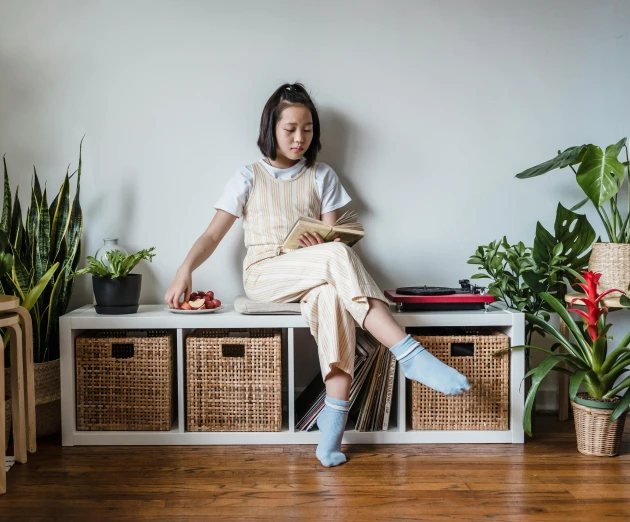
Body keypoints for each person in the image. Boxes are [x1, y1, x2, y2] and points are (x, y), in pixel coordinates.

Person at [165, 83, 470, 467]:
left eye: (307, 129)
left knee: (332, 301)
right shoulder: (248, 176)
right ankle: (409, 353)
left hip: (313, 274)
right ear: (270, 129)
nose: (299, 138)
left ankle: (331, 433)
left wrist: (317, 246)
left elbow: (332, 241)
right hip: (264, 275)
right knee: (335, 257)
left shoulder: (321, 175)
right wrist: (184, 270)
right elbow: (212, 234)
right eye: (290, 129)